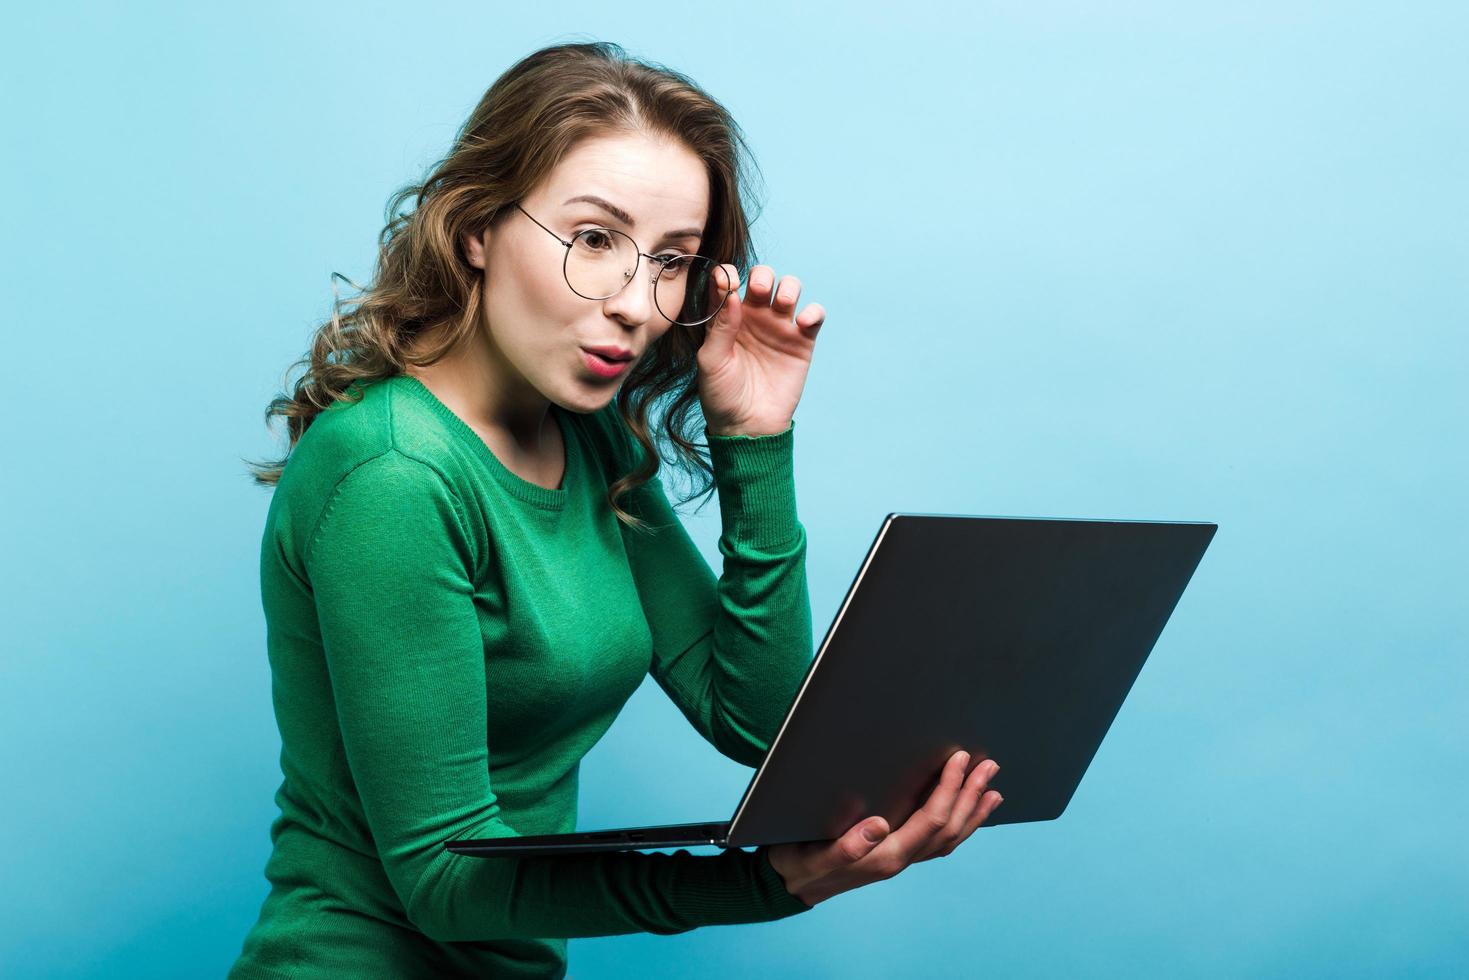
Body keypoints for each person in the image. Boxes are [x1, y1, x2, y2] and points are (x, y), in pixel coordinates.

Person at [232, 39, 1003, 979]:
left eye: (672, 260)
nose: (638, 304)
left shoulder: (587, 440)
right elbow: (443, 879)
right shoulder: (393, 476)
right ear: (475, 227)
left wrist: (753, 445)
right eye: (593, 240)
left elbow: (758, 727)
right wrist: (763, 885)